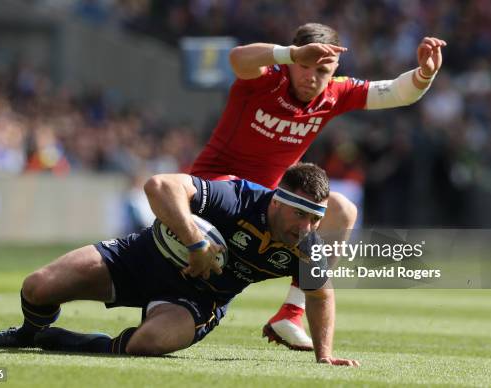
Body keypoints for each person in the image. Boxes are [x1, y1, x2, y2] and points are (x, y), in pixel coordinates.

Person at [190, 23, 447, 350]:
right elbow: (238, 58)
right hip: (216, 192)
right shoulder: (268, 78)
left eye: (322, 69)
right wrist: (290, 54)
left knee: (342, 210)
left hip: (266, 207)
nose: (311, 76)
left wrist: (424, 74)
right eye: (304, 65)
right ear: (292, 58)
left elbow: (397, 92)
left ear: (335, 68)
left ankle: (291, 313)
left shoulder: (335, 93)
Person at [0, 163, 360, 366]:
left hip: (195, 299)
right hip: (140, 257)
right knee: (38, 286)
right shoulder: (239, 197)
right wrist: (195, 242)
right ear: (276, 202)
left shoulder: (308, 244)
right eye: (300, 216)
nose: (307, 228)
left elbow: (320, 294)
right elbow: (159, 185)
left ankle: (57, 340)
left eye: (315, 220)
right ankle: (26, 333)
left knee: (149, 344)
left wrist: (323, 354)